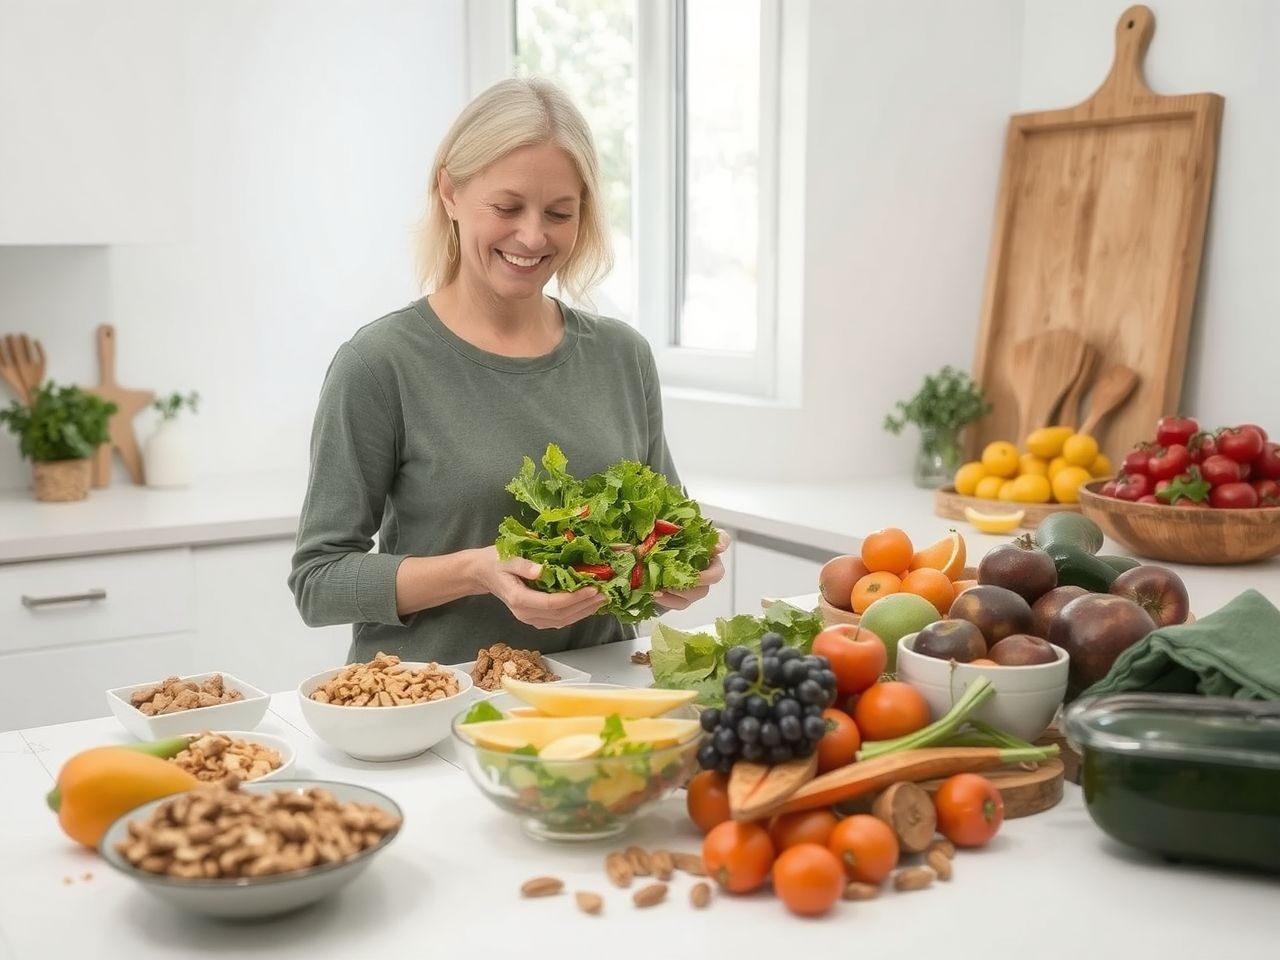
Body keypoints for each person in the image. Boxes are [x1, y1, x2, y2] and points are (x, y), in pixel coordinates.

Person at [289, 77, 726, 665]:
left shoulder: (623, 357)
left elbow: (651, 546)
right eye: (507, 207)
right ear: (449, 193)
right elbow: (319, 582)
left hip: (596, 704)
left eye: (559, 213)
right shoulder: (379, 364)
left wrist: (682, 574)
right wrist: (476, 570)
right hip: (435, 710)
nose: (532, 236)